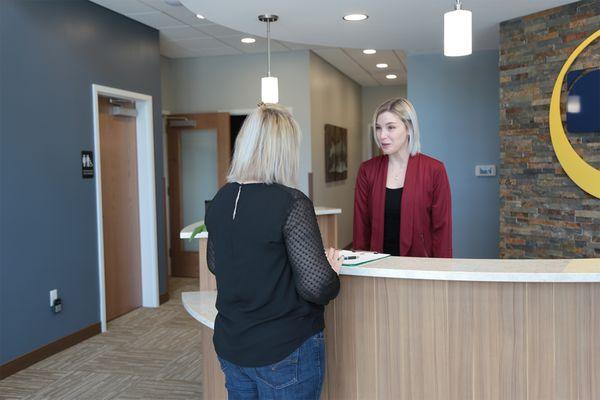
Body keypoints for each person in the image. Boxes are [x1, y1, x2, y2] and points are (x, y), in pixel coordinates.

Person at [205, 103, 342, 399]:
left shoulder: (221, 199)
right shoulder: (292, 203)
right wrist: (331, 270)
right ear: (284, 149)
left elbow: (216, 263)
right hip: (285, 349)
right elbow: (317, 287)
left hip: (233, 345)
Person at [353, 98, 452, 258]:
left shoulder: (435, 170)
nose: (382, 135)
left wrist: (442, 273)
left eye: (390, 127)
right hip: (376, 268)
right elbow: (361, 228)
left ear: (408, 128)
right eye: (378, 128)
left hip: (419, 269)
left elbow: (442, 230)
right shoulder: (367, 170)